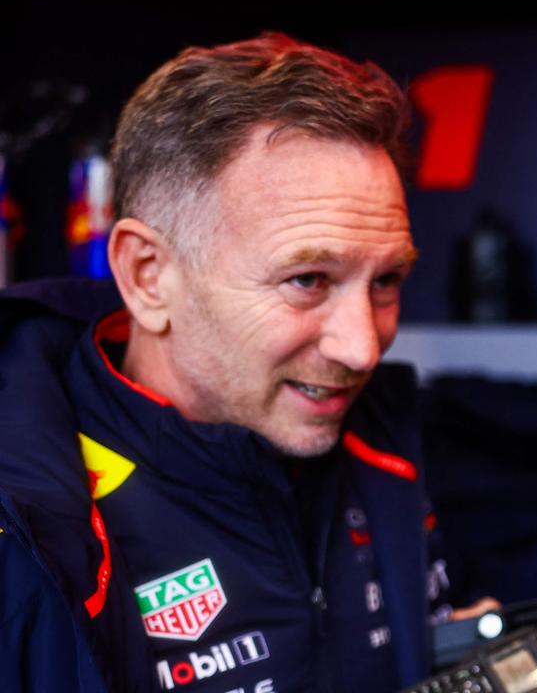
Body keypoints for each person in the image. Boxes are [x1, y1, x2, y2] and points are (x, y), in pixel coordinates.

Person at [0, 33, 493, 692]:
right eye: (308, 280)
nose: (364, 347)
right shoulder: (26, 533)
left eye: (386, 280)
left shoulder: (379, 437)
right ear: (148, 277)